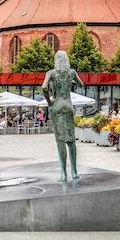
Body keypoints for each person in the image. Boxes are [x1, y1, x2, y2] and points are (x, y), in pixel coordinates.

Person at [42, 50, 84, 183]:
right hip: (68, 105)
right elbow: (81, 84)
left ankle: (63, 174)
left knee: (60, 140)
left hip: (57, 105)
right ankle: (75, 172)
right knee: (71, 140)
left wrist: (50, 102)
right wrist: (71, 84)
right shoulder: (71, 72)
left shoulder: (51, 73)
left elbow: (44, 87)